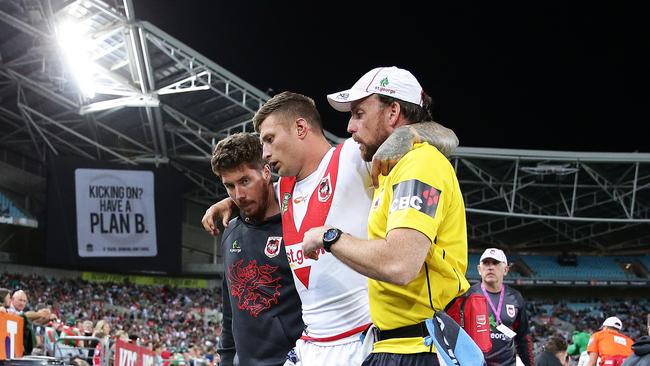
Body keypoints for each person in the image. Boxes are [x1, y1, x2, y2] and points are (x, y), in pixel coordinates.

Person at [202, 89, 458, 365]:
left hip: (361, 339)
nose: (265, 153)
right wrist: (229, 203)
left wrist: (406, 136)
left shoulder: (352, 157)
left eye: (270, 140)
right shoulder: (285, 186)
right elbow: (255, 195)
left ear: (300, 127)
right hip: (311, 344)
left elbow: (448, 138)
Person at [301, 66, 470, 365]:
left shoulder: (420, 164)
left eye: (359, 113)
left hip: (420, 348)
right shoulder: (394, 166)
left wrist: (329, 237)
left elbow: (399, 263)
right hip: (395, 345)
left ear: (393, 113)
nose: (350, 126)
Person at [210, 132, 304, 366]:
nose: (238, 195)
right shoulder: (230, 232)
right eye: (229, 186)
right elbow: (229, 312)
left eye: (245, 181)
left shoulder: (298, 223)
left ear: (265, 171)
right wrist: (227, 360)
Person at [463, 248, 534, 366]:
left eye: (495, 263)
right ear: (479, 269)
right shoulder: (467, 296)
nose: (490, 267)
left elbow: (523, 338)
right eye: (486, 263)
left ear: (506, 269)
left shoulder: (515, 297)